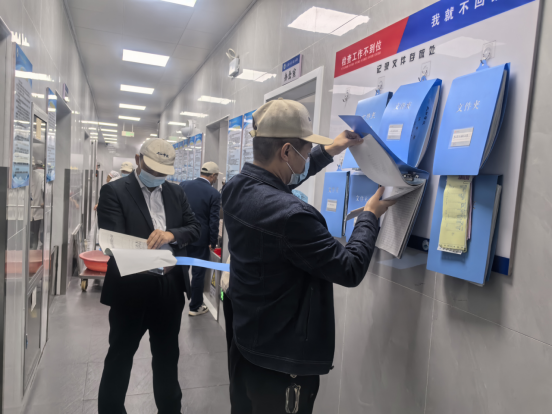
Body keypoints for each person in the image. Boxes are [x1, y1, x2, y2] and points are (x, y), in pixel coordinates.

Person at [222, 99, 395, 414]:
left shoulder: (234, 187)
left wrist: (328, 151)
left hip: (246, 345)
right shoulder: (294, 216)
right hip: (281, 367)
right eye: (306, 149)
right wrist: (369, 216)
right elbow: (350, 268)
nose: (306, 156)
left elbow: (277, 181)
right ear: (287, 151)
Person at [96, 139, 201, 414]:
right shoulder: (114, 191)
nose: (156, 176)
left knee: (167, 357)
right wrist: (153, 262)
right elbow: (115, 243)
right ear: (138, 159)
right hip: (131, 290)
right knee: (120, 357)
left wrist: (171, 235)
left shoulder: (176, 193)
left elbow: (194, 228)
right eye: (152, 169)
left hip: (169, 288)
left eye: (162, 172)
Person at [179, 162, 222, 316]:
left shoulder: (183, 185)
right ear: (213, 176)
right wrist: (212, 242)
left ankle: (174, 303)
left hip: (182, 236)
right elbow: (213, 221)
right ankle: (195, 307)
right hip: (200, 239)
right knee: (198, 274)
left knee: (181, 271)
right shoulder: (214, 194)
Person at [30, 157, 45, 250]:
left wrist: (45, 201)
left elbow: (46, 189)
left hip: (36, 211)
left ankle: (33, 252)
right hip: (23, 213)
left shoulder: (39, 176)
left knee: (34, 235)